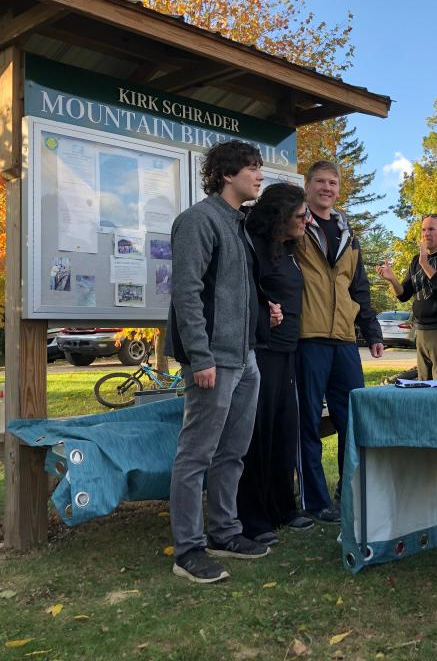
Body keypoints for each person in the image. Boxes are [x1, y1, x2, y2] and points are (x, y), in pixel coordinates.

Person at [164, 140, 275, 584]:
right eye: (252, 168)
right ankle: (188, 550)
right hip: (213, 360)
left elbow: (234, 290)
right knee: (196, 456)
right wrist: (200, 355)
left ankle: (224, 533)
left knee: (233, 453)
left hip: (244, 358)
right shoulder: (198, 220)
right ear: (227, 174)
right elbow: (186, 293)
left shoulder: (240, 224)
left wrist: (264, 308)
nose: (259, 176)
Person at [297, 160, 384, 524]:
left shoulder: (348, 232)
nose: (327, 188)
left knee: (352, 420)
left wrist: (373, 330)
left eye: (333, 183)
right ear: (308, 185)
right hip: (307, 337)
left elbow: (358, 286)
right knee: (307, 424)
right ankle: (314, 501)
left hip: (345, 340)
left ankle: (349, 491)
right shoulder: (297, 225)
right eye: (320, 181)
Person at [236, 184, 316, 545]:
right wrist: (262, 309)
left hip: (288, 351)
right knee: (259, 434)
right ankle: (253, 517)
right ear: (280, 216)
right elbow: (242, 291)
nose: (306, 221)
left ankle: (283, 508)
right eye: (300, 216)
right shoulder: (253, 246)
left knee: (285, 431)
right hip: (262, 351)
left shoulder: (289, 249)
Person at [375, 213, 437, 379]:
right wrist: (392, 279)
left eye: (431, 229)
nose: (426, 233)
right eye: (423, 229)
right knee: (423, 384)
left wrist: (425, 264)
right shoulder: (416, 260)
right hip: (421, 331)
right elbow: (404, 294)